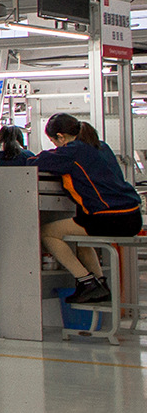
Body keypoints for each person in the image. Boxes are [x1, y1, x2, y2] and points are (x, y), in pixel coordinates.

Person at [35, 114, 141, 304]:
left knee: (47, 233)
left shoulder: (72, 151)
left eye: (53, 141)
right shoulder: (101, 146)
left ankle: (87, 282)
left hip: (110, 218)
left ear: (61, 137)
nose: (56, 146)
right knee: (81, 240)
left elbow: (37, 162)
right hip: (131, 216)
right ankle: (99, 285)